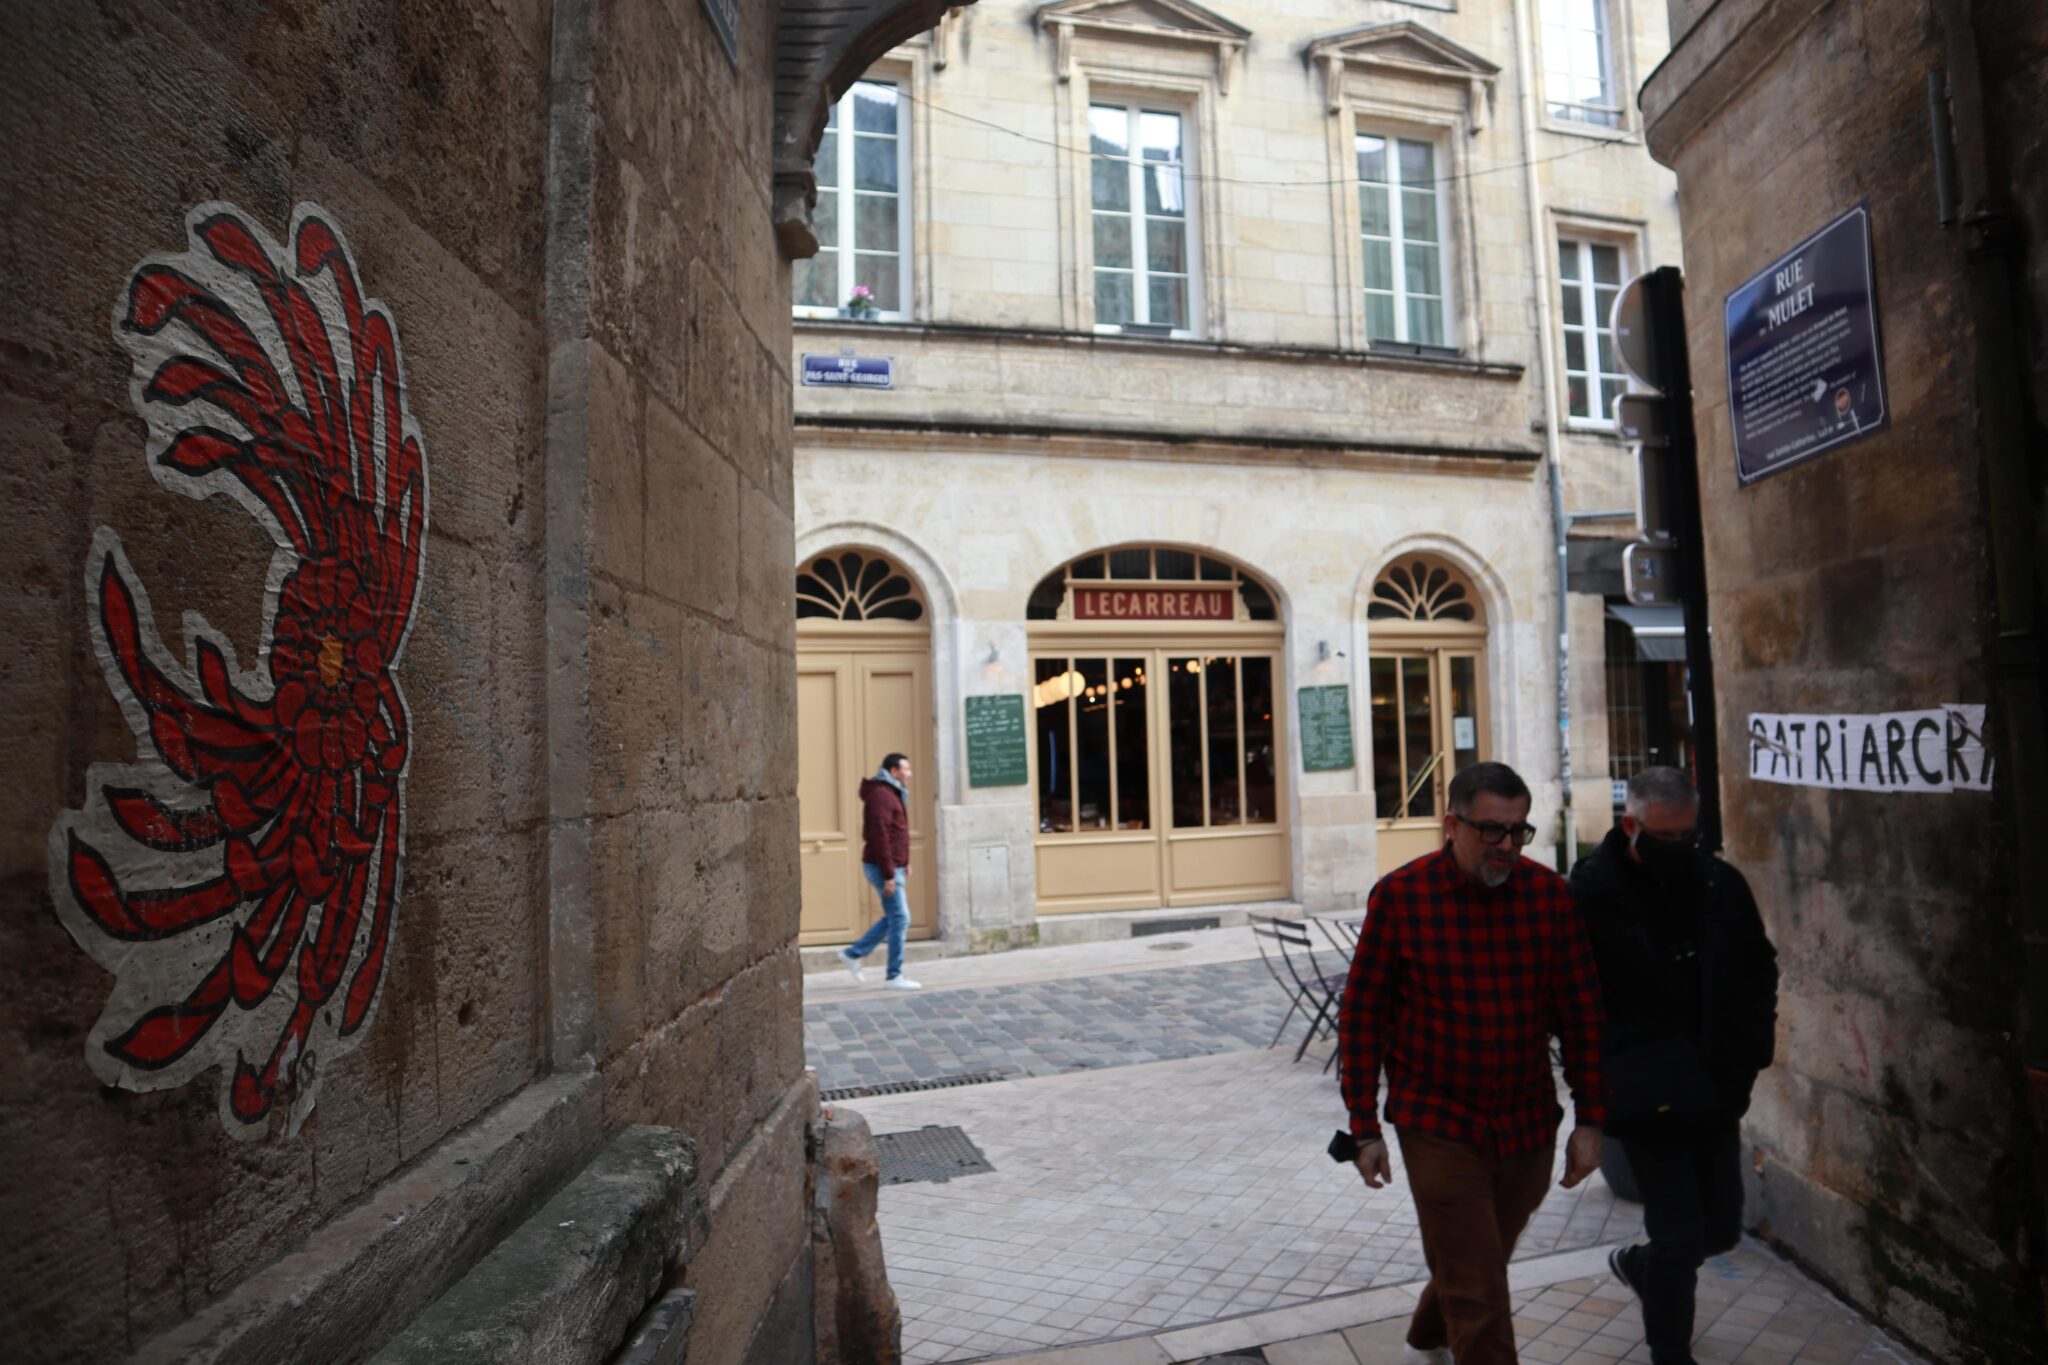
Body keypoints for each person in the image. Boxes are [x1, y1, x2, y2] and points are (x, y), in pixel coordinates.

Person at [1338, 762, 1606, 1365]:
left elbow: (1584, 1014)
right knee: (1482, 1293)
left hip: (1527, 1123)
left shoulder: (1549, 898)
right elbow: (1361, 1018)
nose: (1507, 845)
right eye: (1492, 831)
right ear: (1451, 825)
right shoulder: (1401, 897)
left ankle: (1425, 1340)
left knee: (1480, 1258)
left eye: (1518, 831)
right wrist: (1362, 1130)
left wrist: (1591, 1120)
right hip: (1435, 1119)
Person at [1571, 767, 1778, 1365]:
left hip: (1714, 1086)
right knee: (1679, 1231)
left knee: (1719, 1232)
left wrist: (1751, 1051)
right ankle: (1670, 1350)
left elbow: (1758, 970)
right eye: (1664, 839)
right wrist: (1602, 1076)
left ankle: (1639, 1267)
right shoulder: (1590, 893)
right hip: (1644, 1090)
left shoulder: (1718, 883)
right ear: (1629, 824)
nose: (1679, 850)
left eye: (1687, 837)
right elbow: (1569, 996)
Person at [839, 752, 921, 990]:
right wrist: (888, 874)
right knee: (901, 917)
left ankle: (854, 954)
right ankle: (894, 975)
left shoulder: (890, 792)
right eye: (906, 769)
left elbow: (896, 833)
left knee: (895, 916)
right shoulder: (882, 795)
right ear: (894, 771)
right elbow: (880, 837)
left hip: (891, 864)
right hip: (882, 866)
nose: (910, 774)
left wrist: (904, 861)